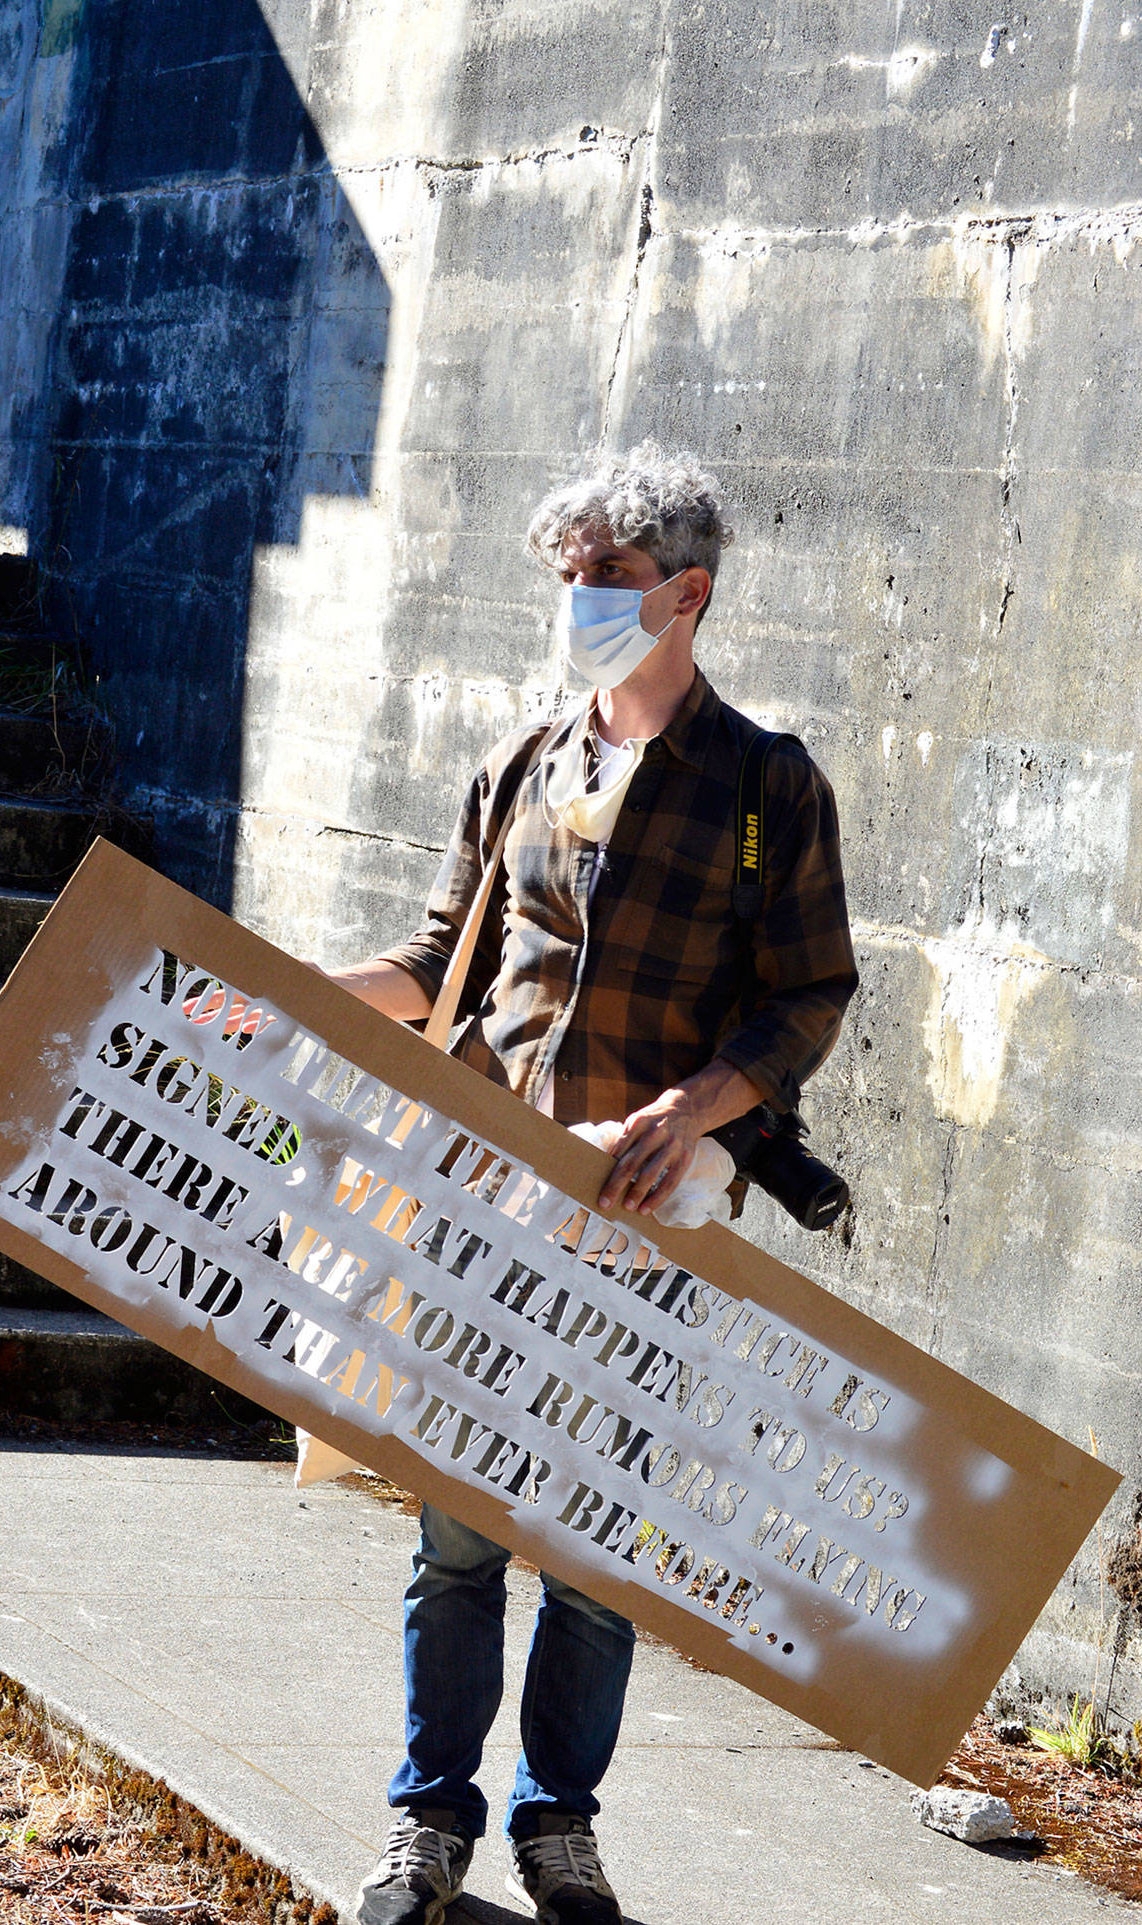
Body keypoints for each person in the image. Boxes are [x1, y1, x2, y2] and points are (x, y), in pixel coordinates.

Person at [330, 444, 858, 1925]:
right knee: (455, 1537)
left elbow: (809, 994)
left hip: (643, 1227)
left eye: (611, 579)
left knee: (597, 1544)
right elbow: (445, 962)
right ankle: (426, 1824)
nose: (580, 600)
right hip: (486, 1204)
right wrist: (286, 993)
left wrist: (700, 1108)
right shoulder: (520, 766)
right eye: (567, 576)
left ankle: (557, 1826)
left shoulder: (766, 783)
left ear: (689, 593)